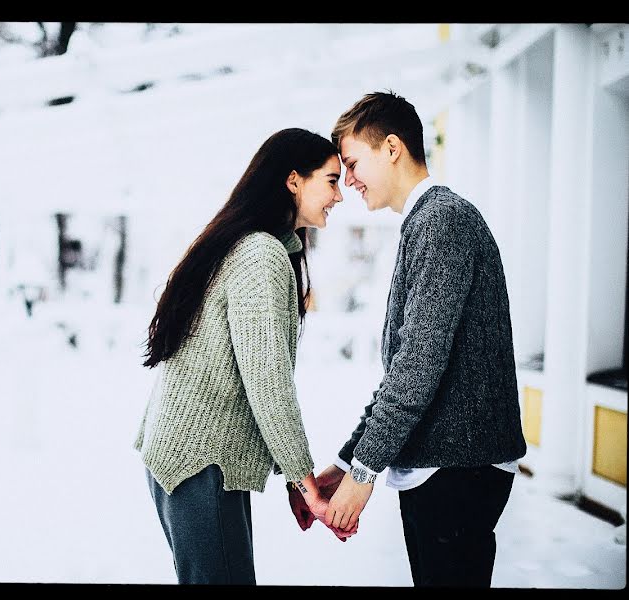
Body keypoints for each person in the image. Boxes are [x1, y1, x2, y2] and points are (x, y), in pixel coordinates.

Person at [312, 91, 527, 587]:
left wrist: (363, 474)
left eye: (351, 163)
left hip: (457, 470)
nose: (347, 181)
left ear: (391, 147)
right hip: (450, 466)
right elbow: (407, 368)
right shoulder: (427, 222)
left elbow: (417, 368)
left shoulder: (442, 221)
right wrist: (348, 461)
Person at [134, 127, 350, 585]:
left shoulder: (258, 247)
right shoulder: (261, 255)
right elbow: (267, 383)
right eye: (331, 180)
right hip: (201, 465)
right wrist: (302, 479)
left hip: (193, 462)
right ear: (294, 180)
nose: (340, 195)